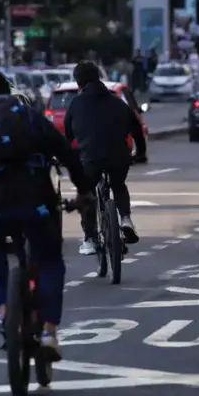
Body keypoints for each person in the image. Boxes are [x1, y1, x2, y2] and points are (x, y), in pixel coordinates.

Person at [0, 70, 92, 359]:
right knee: (50, 260)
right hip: (37, 202)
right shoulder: (28, 117)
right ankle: (49, 333)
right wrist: (83, 192)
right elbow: (67, 154)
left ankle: (3, 311)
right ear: (8, 91)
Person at [63, 61, 147, 256]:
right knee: (118, 185)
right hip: (119, 156)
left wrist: (64, 156)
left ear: (79, 82)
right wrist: (140, 153)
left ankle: (90, 238)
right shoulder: (117, 102)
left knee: (87, 193)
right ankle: (125, 219)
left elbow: (66, 135)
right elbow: (137, 129)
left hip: (90, 158)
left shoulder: (76, 104)